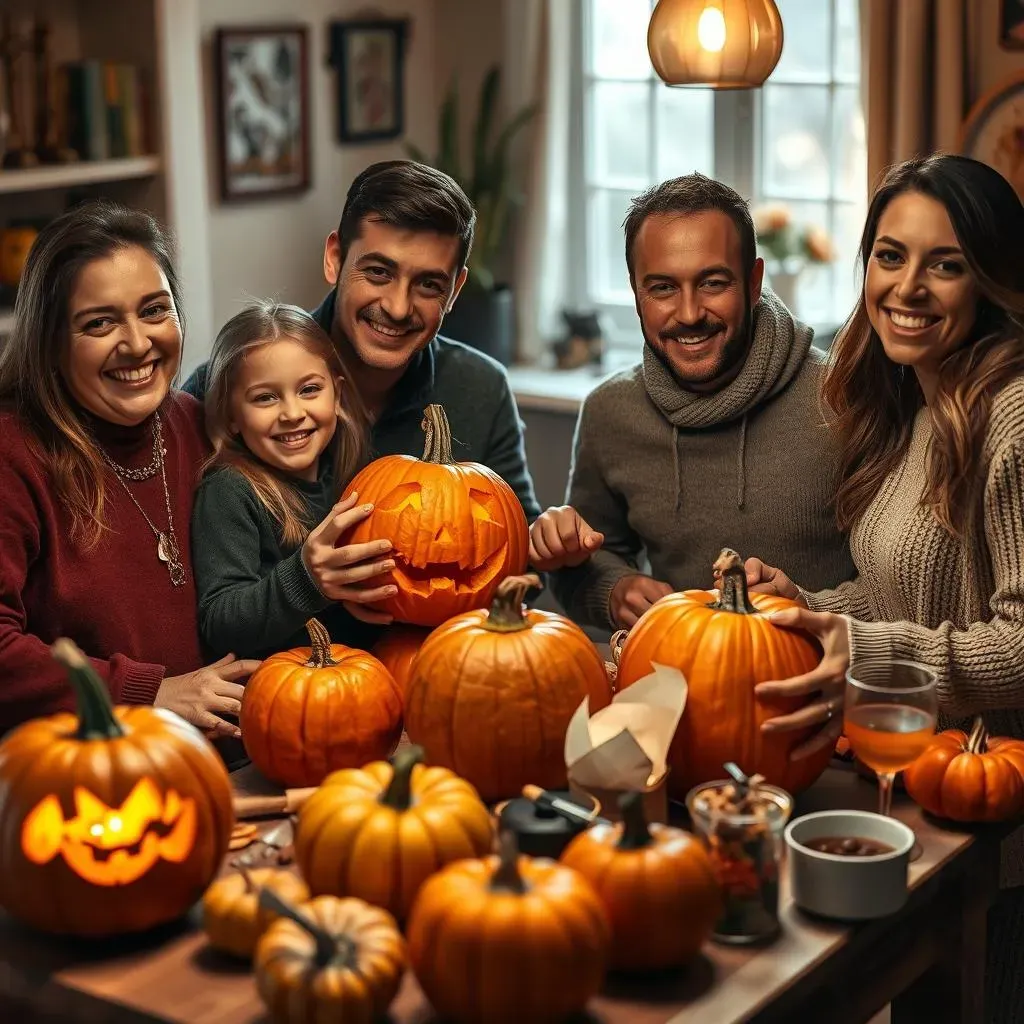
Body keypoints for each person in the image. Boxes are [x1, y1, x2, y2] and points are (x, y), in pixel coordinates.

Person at [744, 153, 1024, 1022]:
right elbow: (911, 594)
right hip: (935, 805)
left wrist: (857, 647)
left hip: (1007, 829)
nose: (909, 287)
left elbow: (1020, 642)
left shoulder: (1013, 414)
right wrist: (814, 610)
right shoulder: (915, 397)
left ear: (991, 280)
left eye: (946, 264)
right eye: (889, 255)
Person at [529, 173, 853, 629]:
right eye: (662, 288)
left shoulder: (844, 400)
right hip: (678, 680)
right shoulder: (609, 412)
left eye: (713, 283)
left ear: (754, 281)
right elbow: (580, 565)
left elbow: (896, 589)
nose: (688, 314)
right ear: (636, 292)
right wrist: (614, 589)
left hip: (821, 681)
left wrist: (805, 604)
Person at [0, 200, 259, 741]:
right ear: (50, 342)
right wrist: (148, 693)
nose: (138, 343)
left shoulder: (194, 421)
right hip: (90, 774)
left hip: (228, 758)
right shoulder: (13, 451)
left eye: (154, 310)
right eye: (100, 322)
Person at [182, 160, 541, 526]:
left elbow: (518, 546)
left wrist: (547, 541)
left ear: (454, 291)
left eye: (429, 285)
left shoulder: (483, 388)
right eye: (378, 272)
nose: (398, 308)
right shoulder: (223, 385)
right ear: (334, 258)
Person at [192, 300, 398, 660]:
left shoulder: (356, 475)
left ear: (336, 394)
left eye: (309, 390)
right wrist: (307, 579)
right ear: (232, 417)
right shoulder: (229, 491)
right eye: (265, 398)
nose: (292, 413)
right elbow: (220, 621)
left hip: (363, 678)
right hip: (279, 694)